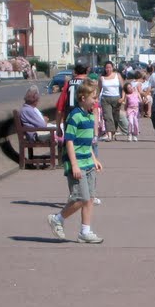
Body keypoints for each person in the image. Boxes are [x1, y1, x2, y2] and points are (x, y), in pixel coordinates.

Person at [47, 81, 104, 244]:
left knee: (90, 198)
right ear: (82, 98)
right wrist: (74, 165)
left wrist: (94, 159)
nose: (95, 101)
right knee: (80, 198)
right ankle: (57, 218)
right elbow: (69, 141)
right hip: (76, 162)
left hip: (88, 162)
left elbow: (87, 142)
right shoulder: (74, 116)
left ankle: (85, 231)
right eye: (93, 98)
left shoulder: (89, 115)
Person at [55, 63, 90, 129]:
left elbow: (60, 106)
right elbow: (94, 106)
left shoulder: (69, 83)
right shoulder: (88, 83)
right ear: (86, 72)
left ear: (75, 72)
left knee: (69, 138)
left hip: (69, 116)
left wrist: (58, 127)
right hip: (84, 116)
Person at [97, 61, 125, 140]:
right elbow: (99, 89)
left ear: (112, 68)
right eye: (106, 68)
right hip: (105, 99)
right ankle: (109, 135)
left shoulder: (117, 75)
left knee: (115, 117)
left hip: (116, 98)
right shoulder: (102, 78)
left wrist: (122, 98)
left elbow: (123, 88)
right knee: (108, 117)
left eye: (109, 67)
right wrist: (96, 99)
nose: (108, 69)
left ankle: (113, 133)